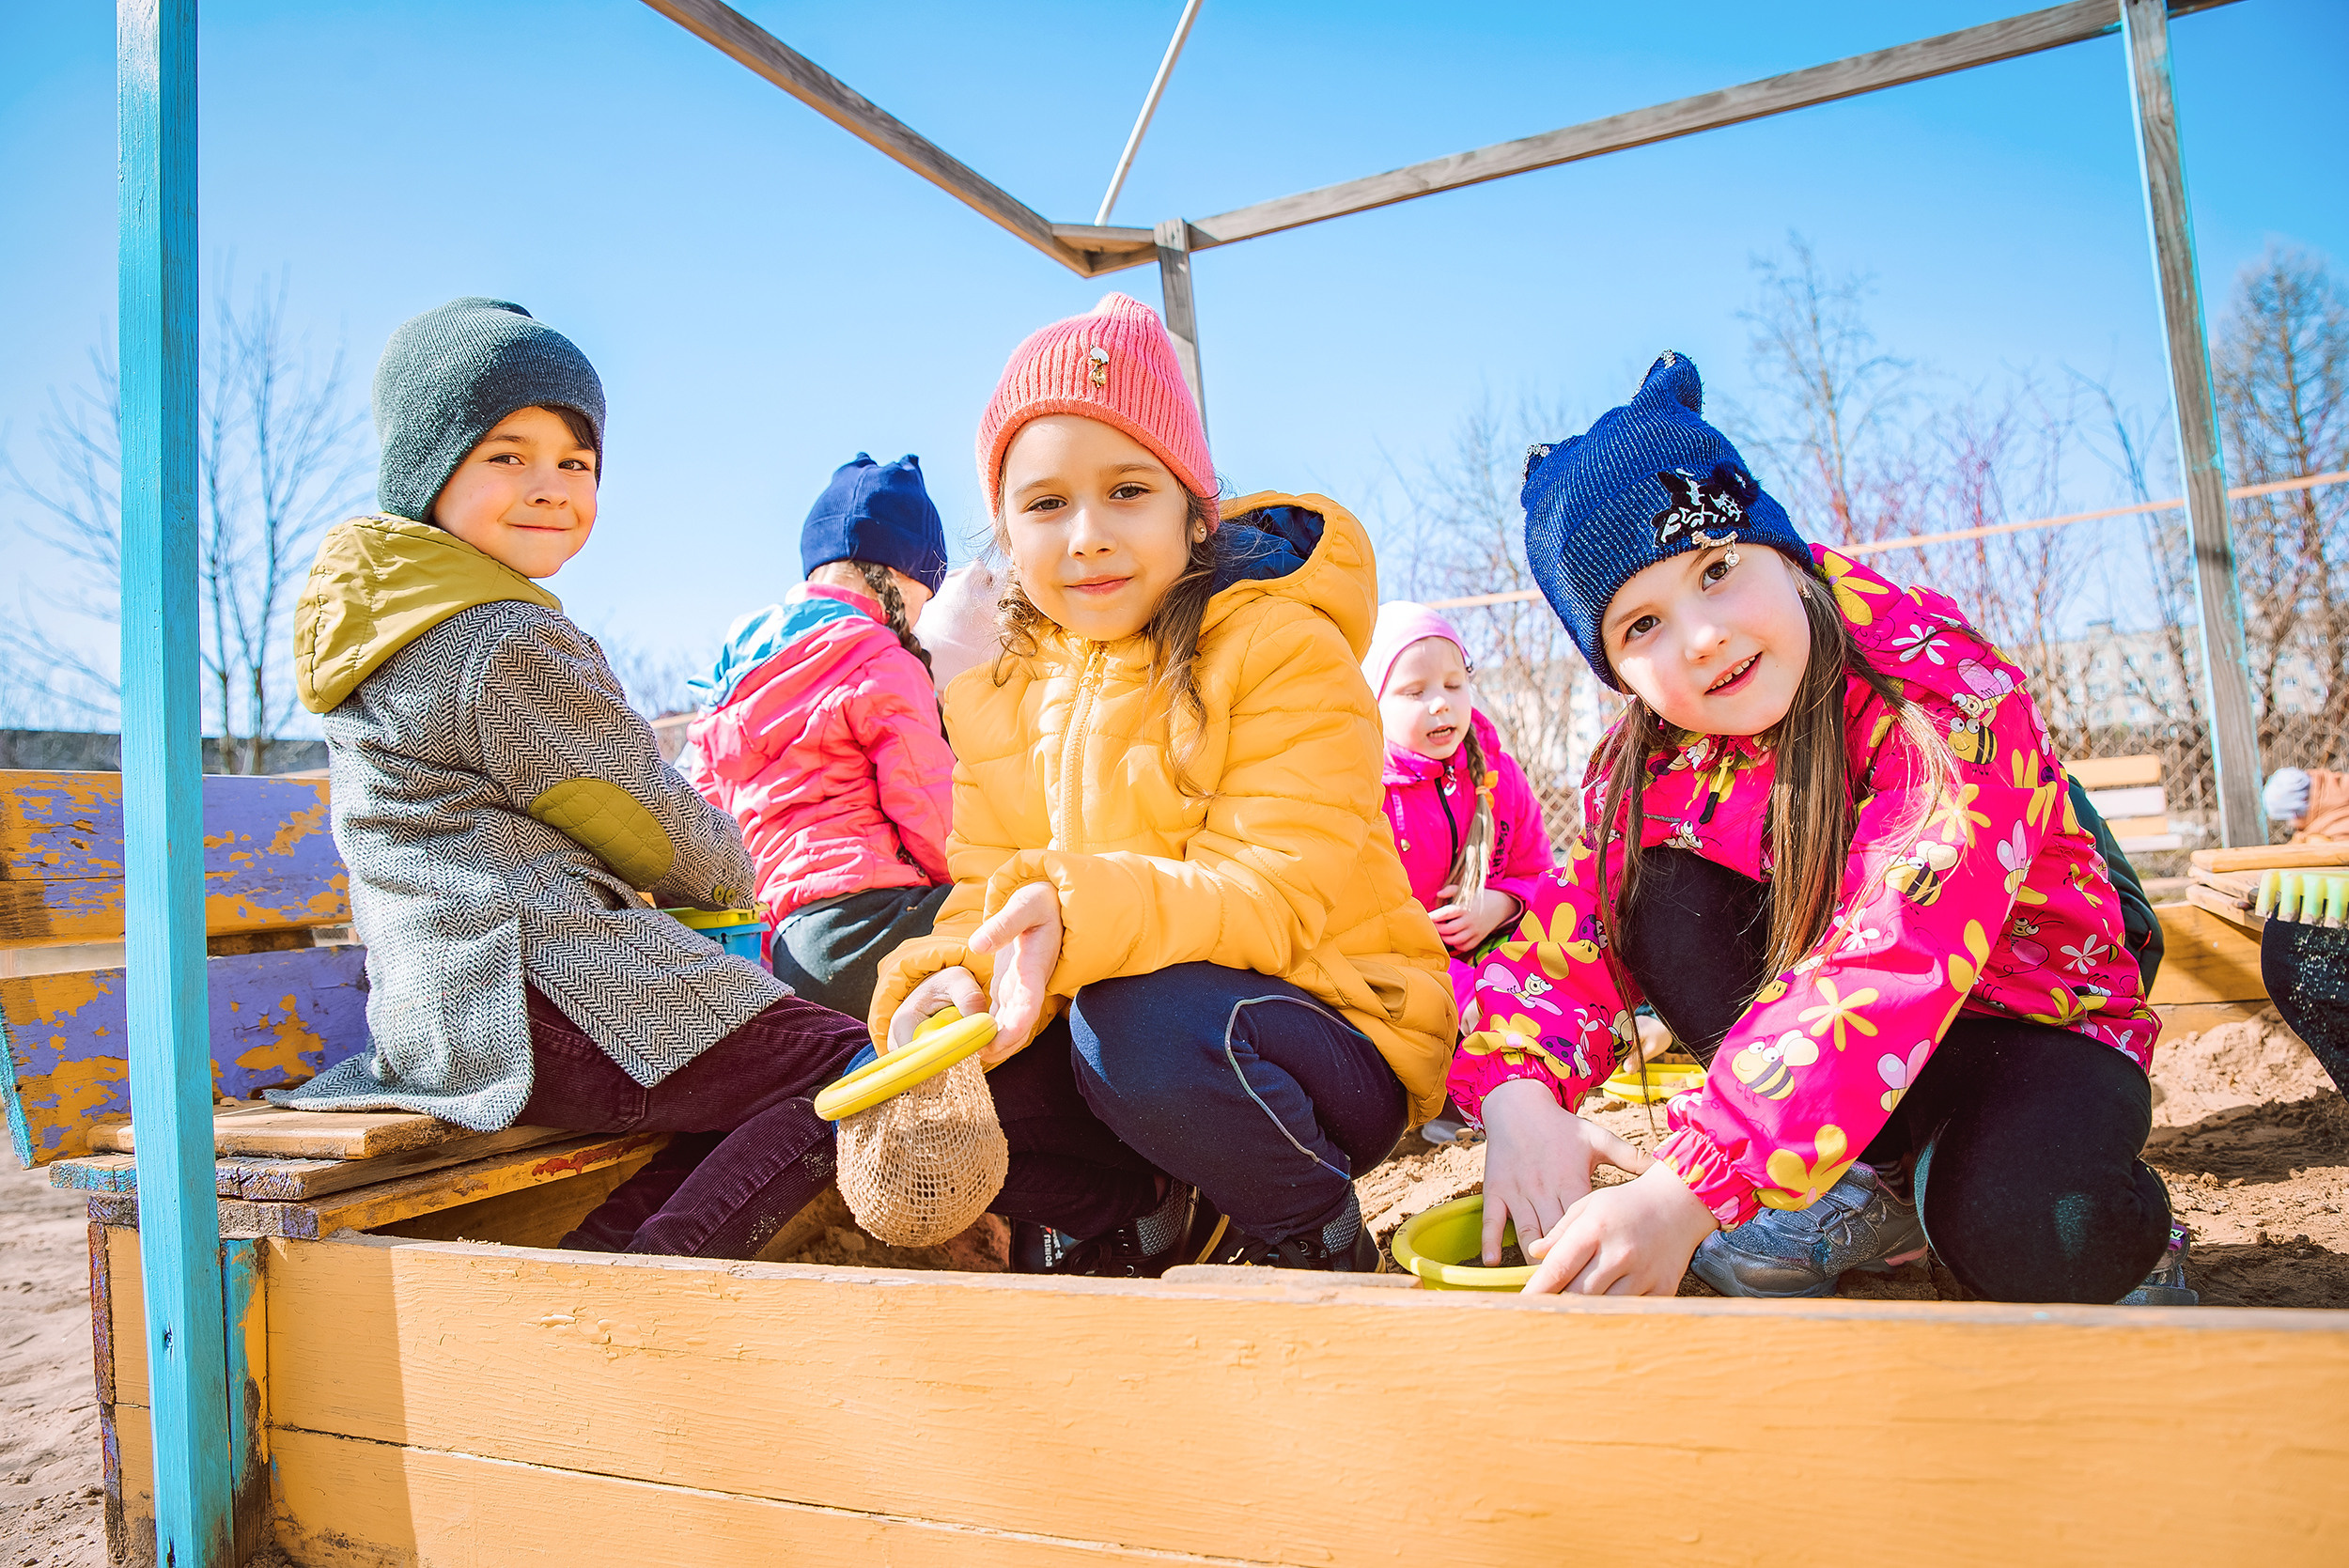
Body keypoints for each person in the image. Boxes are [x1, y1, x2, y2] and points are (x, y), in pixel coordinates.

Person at [1453, 351, 2177, 1305]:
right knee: (1650, 888)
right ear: (1616, 672)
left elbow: (1895, 946)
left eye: (1716, 569)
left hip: (2032, 1017)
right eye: (1641, 626)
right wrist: (1516, 1089)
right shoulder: (1652, 762)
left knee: (2033, 1229)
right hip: (1848, 1056)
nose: (1701, 636)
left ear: (1784, 554)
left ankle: (2122, 1232)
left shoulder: (1940, 697)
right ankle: (1861, 1184)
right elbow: (1570, 934)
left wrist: (1689, 1186)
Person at [868, 293, 1455, 1277]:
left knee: (1135, 1027)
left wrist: (1071, 910)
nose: (1087, 534)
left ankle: (1312, 1232)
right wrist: (950, 976)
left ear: (1193, 511)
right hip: (1132, 1059)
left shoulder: (1279, 646)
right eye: (1045, 504)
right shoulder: (1006, 691)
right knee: (929, 1071)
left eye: (1128, 490)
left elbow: (1270, 893)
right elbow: (982, 893)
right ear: (1005, 532)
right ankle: (1132, 1215)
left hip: (1321, 1029)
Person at [275, 297, 865, 1259]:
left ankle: (604, 1267)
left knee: (764, 1081)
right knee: (853, 1067)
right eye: (508, 455)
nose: (550, 487)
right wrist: (738, 867)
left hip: (457, 999)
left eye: (576, 463)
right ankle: (639, 1282)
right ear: (427, 469)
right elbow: (652, 826)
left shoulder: (396, 621)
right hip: (532, 992)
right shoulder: (499, 640)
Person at [686, 454, 956, 1020]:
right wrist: (971, 878)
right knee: (1034, 919)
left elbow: (704, 817)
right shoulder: (879, 658)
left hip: (783, 947)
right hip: (874, 921)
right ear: (898, 577)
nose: (918, 620)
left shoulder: (731, 680)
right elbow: (927, 805)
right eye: (922, 600)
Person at [1362, 602, 1558, 1013]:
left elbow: (1541, 876)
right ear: (1373, 703)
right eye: (1415, 692)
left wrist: (1502, 904)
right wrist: (1464, 988)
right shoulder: (1365, 793)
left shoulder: (1501, 777)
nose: (1440, 703)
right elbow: (1366, 929)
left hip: (1497, 946)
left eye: (1453, 685)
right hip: (1402, 971)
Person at [2263, 767, 2349, 843]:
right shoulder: (2340, 781)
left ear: (2296, 814)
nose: (2292, 825)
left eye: (2287, 819)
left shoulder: (2328, 836)